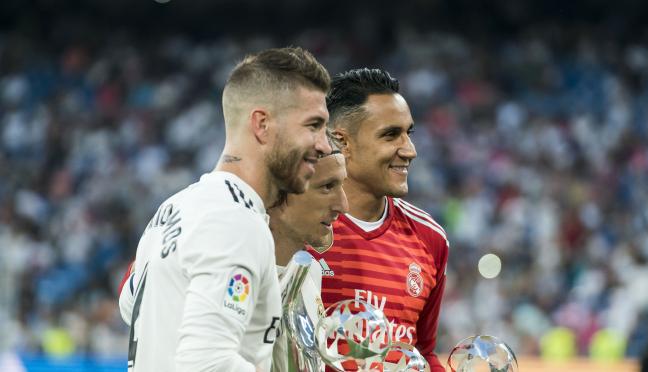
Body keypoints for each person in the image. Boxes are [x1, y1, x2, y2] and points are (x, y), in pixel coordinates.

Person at [118, 47, 332, 372]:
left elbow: (130, 304)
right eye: (313, 125)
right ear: (261, 124)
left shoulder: (177, 208)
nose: (324, 145)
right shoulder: (235, 221)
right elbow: (206, 363)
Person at [306, 68, 449, 371]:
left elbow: (423, 351)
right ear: (342, 142)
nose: (409, 150)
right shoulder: (296, 228)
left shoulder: (430, 239)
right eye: (390, 135)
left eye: (408, 133)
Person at [268, 148, 349, 372]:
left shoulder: (311, 271)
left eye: (342, 186)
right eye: (327, 187)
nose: (343, 205)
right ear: (278, 192)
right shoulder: (238, 274)